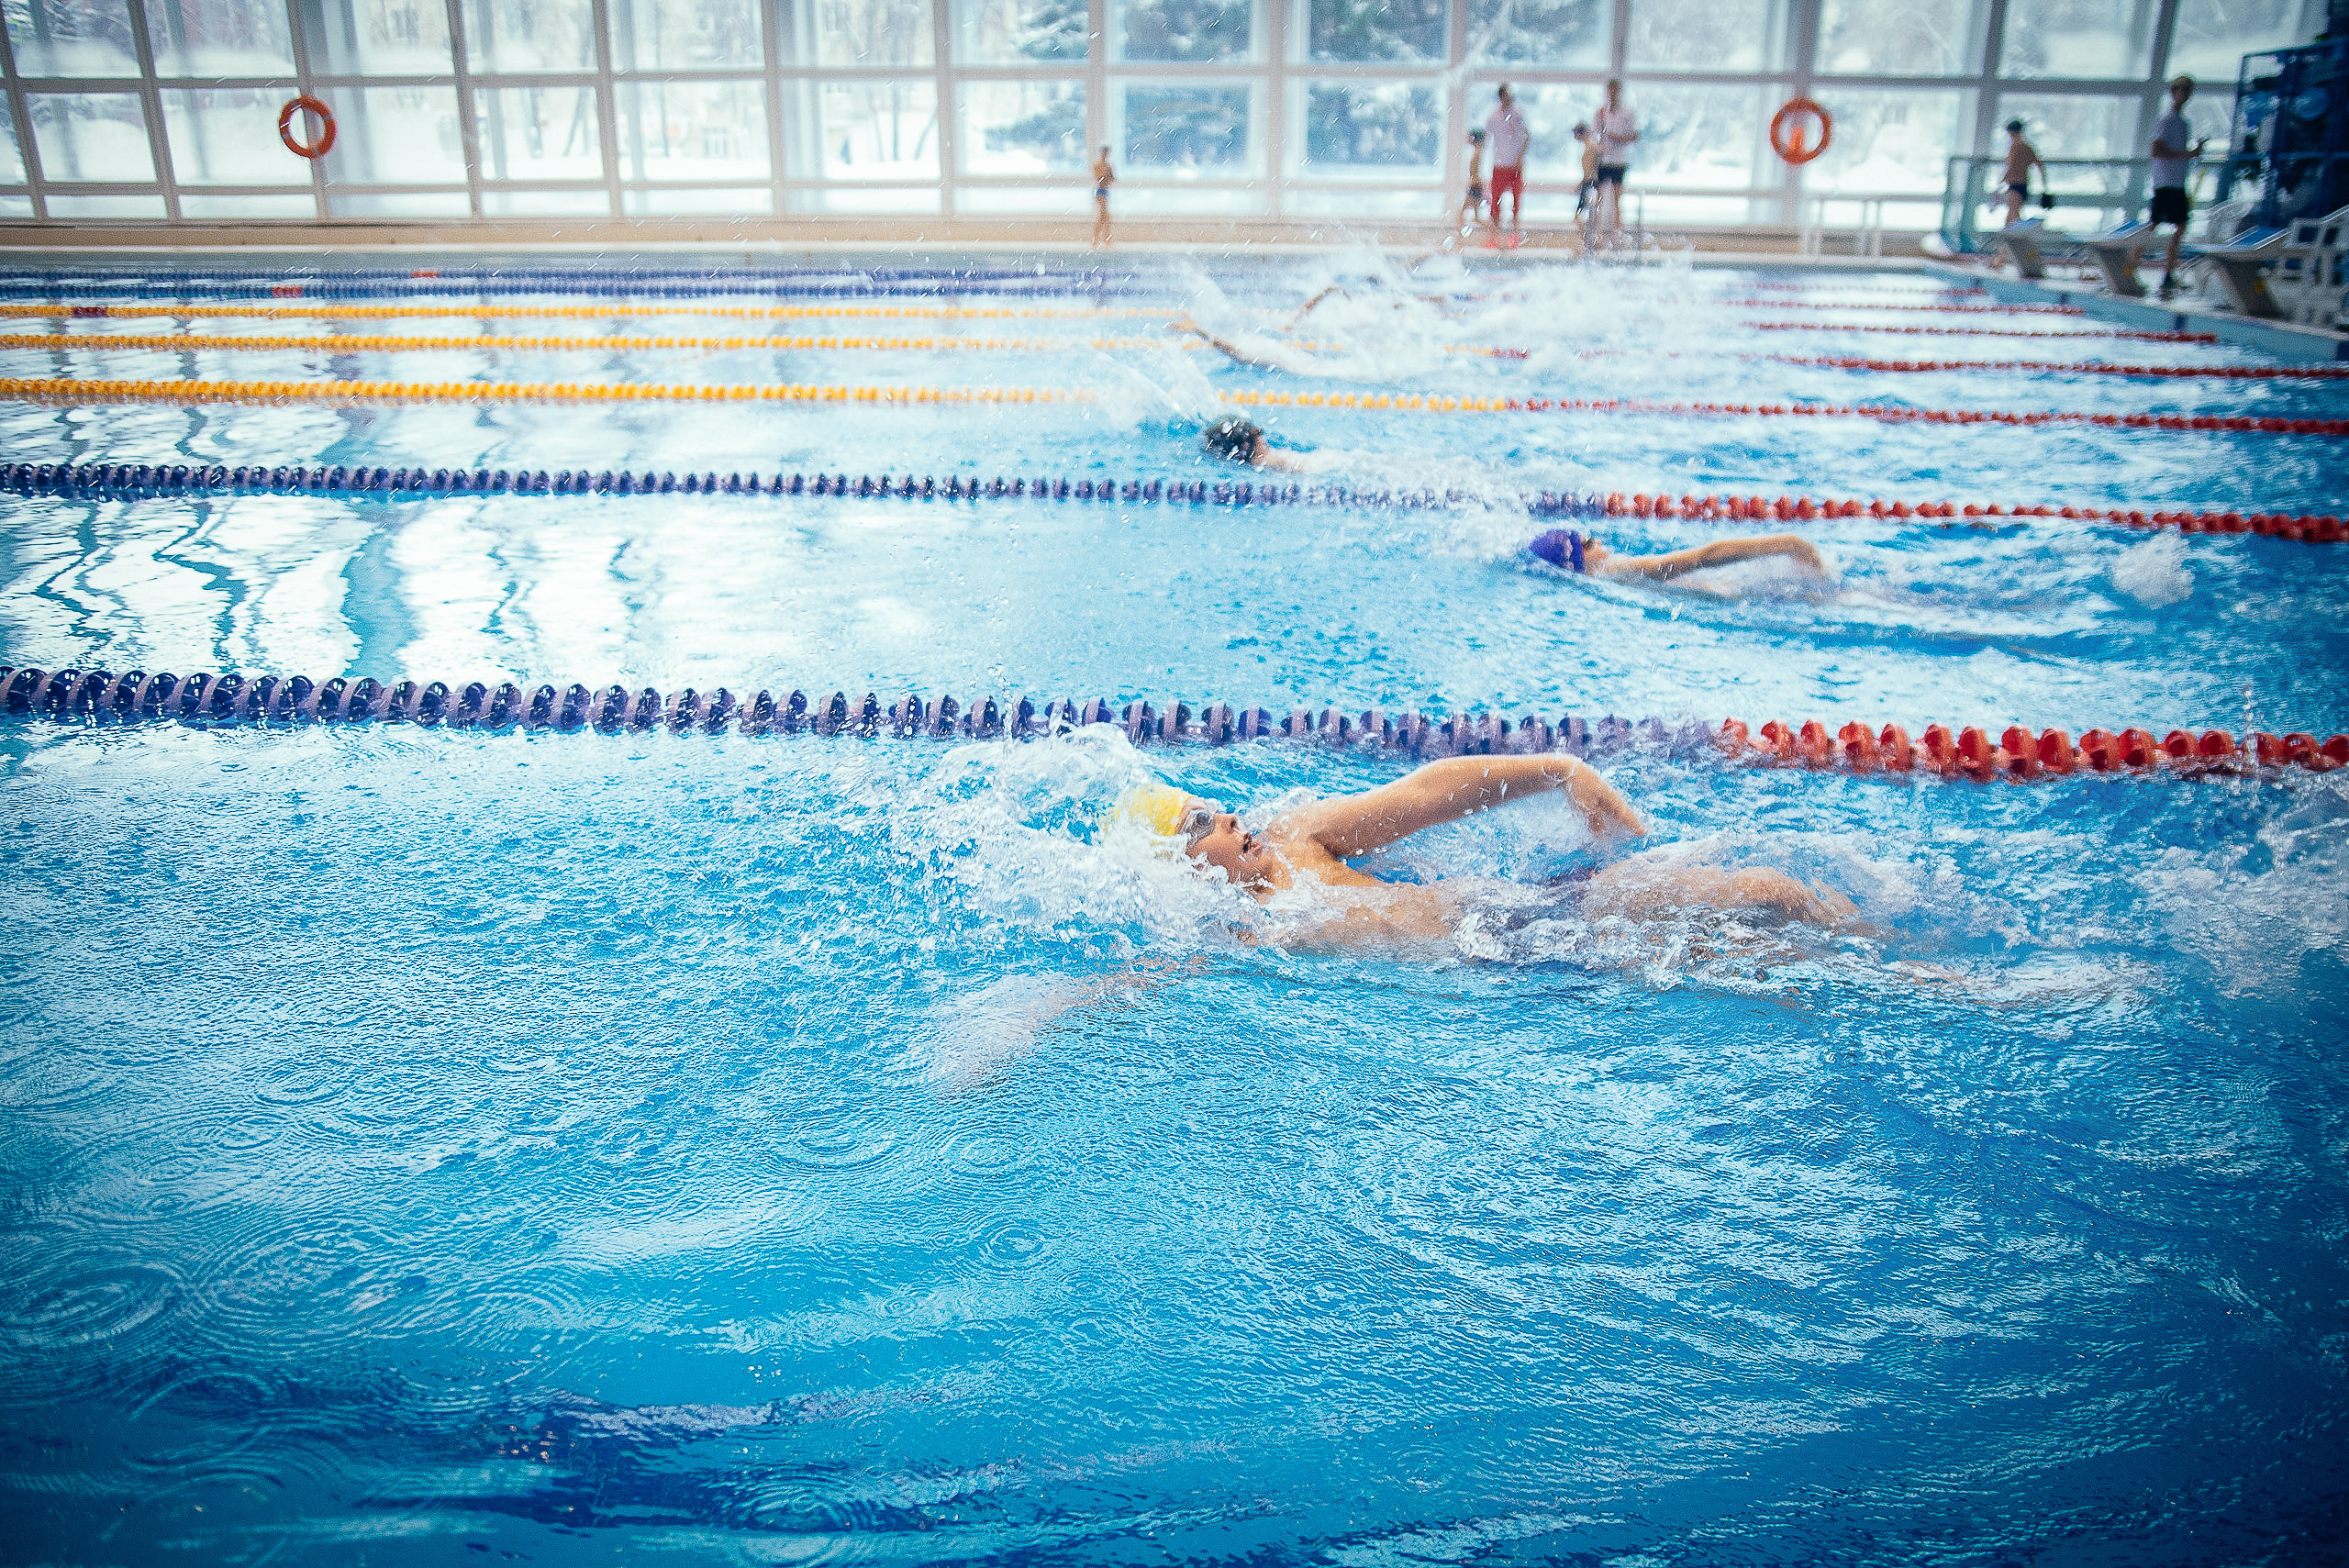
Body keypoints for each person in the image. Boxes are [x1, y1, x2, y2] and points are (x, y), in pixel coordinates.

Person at [1120, 754, 1856, 954]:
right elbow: (1134, 984)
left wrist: (1559, 769)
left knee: (1770, 892)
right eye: (1200, 823)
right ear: (1183, 866)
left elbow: (1424, 792)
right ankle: (1898, 972)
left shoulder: (1296, 837)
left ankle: (1897, 960)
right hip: (1524, 965)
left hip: (1531, 920)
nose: (1228, 816)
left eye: (1214, 806)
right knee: (1765, 948)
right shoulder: (1241, 934)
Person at [1527, 527, 1827, 584]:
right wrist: (1788, 543)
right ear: (1581, 560)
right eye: (1590, 542)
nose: (1600, 542)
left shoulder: (1613, 577)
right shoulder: (1619, 569)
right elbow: (1703, 556)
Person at [2149, 76, 2204, 297]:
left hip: (2177, 183)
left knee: (2179, 227)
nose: (2185, 94)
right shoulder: (2166, 120)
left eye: (2188, 90)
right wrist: (2188, 154)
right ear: (2173, 92)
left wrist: (2191, 154)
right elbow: (2156, 151)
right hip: (2165, 183)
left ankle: (2168, 273)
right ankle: (2131, 263)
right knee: (2154, 225)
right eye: (2181, 89)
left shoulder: (2183, 123)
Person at [1593, 80, 1638, 236]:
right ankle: (1597, 231)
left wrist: (1619, 139)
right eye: (1610, 90)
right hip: (1604, 160)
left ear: (1619, 92)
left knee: (1617, 198)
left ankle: (1618, 232)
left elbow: (1634, 135)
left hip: (1619, 161)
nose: (1612, 94)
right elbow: (1594, 135)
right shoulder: (1600, 113)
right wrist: (1600, 145)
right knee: (1599, 197)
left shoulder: (1626, 113)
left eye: (1615, 91)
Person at [1485, 85, 1530, 239]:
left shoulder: (1518, 114)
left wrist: (1520, 156)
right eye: (1505, 96)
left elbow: (1527, 137)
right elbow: (1486, 139)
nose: (1508, 99)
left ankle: (1514, 235)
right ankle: (1494, 236)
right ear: (1500, 97)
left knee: (1516, 201)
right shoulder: (1494, 117)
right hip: (1499, 164)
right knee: (1495, 201)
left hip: (1515, 165)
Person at [1200, 415, 1312, 472]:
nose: (1263, 439)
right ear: (1247, 444)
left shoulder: (1249, 464)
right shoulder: (1279, 460)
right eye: (1259, 433)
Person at [1999, 118, 2045, 228]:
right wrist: (2044, 185)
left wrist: (2001, 181)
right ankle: (2012, 236)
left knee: (2012, 216)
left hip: (2015, 185)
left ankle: (2007, 238)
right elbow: (2040, 165)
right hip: (2023, 185)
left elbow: (2011, 167)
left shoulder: (2015, 147)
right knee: (2015, 214)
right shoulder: (2028, 147)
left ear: (2012, 132)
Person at [1457, 127, 1489, 240]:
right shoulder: (1478, 151)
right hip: (1475, 186)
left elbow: (1475, 173)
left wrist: (1472, 185)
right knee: (1475, 218)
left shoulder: (1477, 153)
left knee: (1461, 214)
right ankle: (1495, 234)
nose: (1467, 140)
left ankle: (1459, 241)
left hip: (1475, 187)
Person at [1573, 121, 1599, 228]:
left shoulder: (1591, 147)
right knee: (1585, 210)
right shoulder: (1591, 145)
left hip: (1591, 182)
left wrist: (1582, 183)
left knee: (1583, 211)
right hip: (1590, 181)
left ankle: (1588, 232)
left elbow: (1590, 169)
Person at [1091, 145, 1116, 249]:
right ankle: (1104, 238)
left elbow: (1112, 178)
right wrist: (1106, 175)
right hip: (1100, 192)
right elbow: (1099, 178)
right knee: (1105, 216)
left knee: (1103, 217)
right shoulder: (1099, 165)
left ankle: (1100, 238)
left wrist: (1107, 175)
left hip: (1105, 191)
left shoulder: (1108, 166)